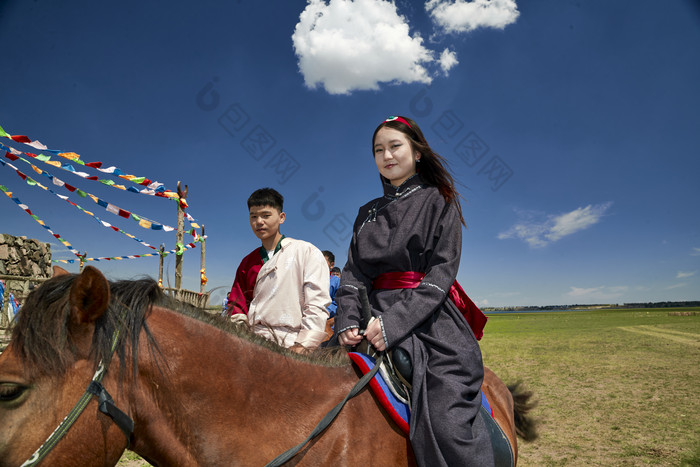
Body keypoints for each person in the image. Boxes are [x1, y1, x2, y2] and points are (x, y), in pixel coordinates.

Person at [334, 116, 493, 466]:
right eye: (379, 150)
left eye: (395, 146)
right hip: (368, 313)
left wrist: (391, 325)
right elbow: (352, 274)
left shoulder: (440, 200)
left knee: (446, 419)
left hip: (429, 320)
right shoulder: (366, 213)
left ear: (417, 152)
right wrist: (346, 319)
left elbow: (441, 274)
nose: (387, 155)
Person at [227, 188, 331, 351]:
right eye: (253, 216)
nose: (259, 221)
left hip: (295, 342)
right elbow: (237, 305)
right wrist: (241, 338)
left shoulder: (306, 251)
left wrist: (303, 345)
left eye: (266, 215)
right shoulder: (247, 262)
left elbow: (317, 302)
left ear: (281, 217)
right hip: (253, 342)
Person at [321, 250, 340, 319]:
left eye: (323, 263)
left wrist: (322, 313)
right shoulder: (311, 279)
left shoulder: (337, 282)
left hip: (329, 322)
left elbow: (337, 304)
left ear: (332, 265)